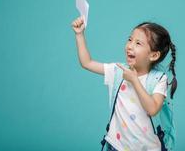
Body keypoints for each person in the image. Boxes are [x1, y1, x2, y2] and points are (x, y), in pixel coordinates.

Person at [71, 16, 177, 151]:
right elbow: (87, 63)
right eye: (130, 39)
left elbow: (152, 109)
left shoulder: (159, 79)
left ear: (153, 55)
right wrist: (79, 34)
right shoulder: (118, 71)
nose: (130, 46)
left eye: (138, 43)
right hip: (116, 145)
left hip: (147, 148)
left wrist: (134, 80)